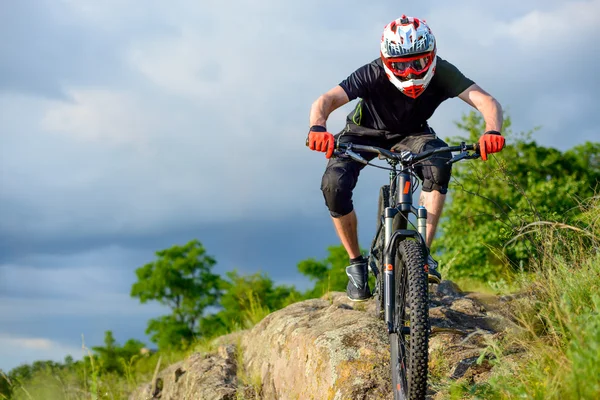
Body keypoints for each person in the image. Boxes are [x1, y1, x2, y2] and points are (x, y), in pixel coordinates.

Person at [306, 15, 505, 301]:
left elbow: (487, 101)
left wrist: (492, 130)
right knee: (334, 185)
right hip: (362, 133)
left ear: (432, 56)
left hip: (413, 134)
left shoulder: (443, 72)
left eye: (419, 62)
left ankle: (422, 254)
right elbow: (325, 101)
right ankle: (356, 264)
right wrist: (317, 127)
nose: (410, 71)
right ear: (385, 60)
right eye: (400, 65)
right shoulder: (371, 73)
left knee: (439, 166)